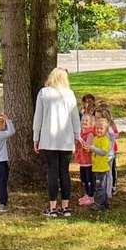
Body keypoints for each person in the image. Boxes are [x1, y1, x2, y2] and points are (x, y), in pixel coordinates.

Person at [33, 67, 79, 218]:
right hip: (65, 139)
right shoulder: (69, 94)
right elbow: (75, 118)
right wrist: (77, 135)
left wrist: (36, 137)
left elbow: (38, 117)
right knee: (64, 172)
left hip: (48, 138)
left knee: (52, 171)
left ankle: (53, 207)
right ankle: (65, 207)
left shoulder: (44, 93)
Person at [88, 115, 114, 211]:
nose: (99, 130)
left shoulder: (105, 140)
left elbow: (103, 152)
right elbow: (94, 151)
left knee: (99, 187)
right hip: (96, 167)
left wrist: (93, 148)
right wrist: (90, 150)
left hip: (102, 168)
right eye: (97, 128)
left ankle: (99, 203)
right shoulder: (95, 139)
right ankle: (106, 203)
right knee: (99, 186)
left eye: (101, 128)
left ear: (106, 130)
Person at [74, 113, 96, 206]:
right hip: (82, 162)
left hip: (88, 162)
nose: (84, 122)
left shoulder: (90, 134)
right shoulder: (81, 133)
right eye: (82, 120)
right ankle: (87, 194)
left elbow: (88, 146)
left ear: (91, 123)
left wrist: (80, 142)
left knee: (89, 179)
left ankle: (91, 196)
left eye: (86, 120)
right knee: (84, 179)